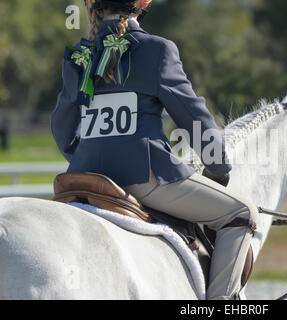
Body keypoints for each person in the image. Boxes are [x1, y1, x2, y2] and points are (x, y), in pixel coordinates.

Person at [50, 0, 257, 300]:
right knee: (242, 212)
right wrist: (219, 168)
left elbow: (62, 131)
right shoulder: (157, 50)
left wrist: (90, 155)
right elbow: (194, 117)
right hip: (143, 176)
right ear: (141, 5)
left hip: (83, 175)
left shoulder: (79, 55)